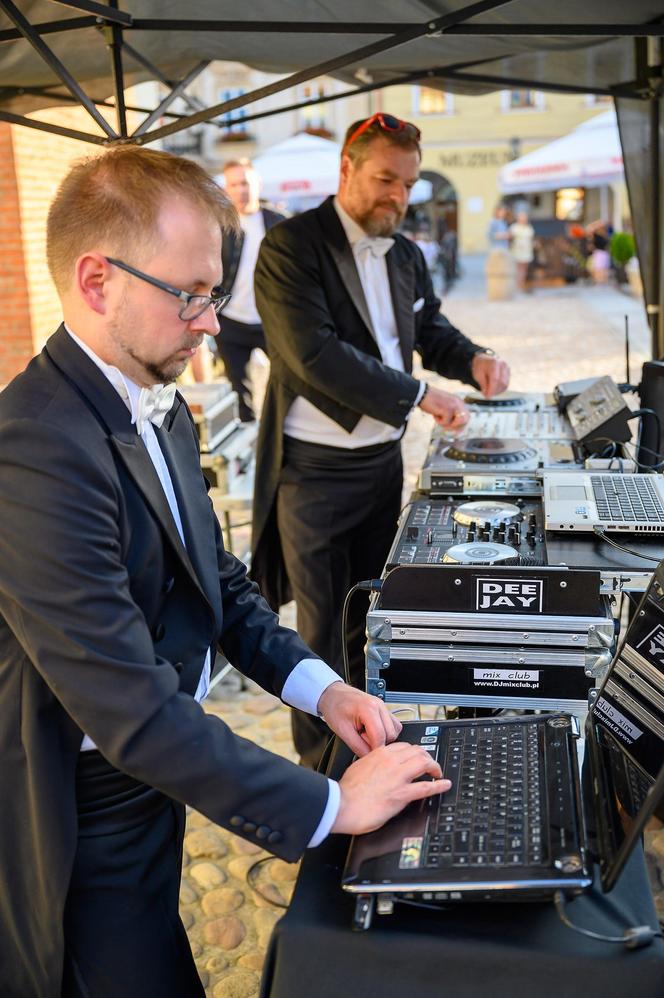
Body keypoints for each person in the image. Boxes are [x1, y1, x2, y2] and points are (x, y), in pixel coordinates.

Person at [0, 146, 452, 998]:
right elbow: (130, 710)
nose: (212, 321)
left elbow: (225, 591)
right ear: (98, 282)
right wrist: (331, 808)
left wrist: (325, 691)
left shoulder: (155, 396)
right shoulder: (33, 450)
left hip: (155, 775)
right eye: (192, 295)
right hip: (80, 805)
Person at [251, 113, 510, 768]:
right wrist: (420, 395)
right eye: (384, 180)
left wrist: (473, 358)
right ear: (346, 168)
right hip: (312, 474)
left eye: (408, 184)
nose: (398, 197)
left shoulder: (406, 253)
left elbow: (430, 331)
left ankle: (369, 754)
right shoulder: (290, 246)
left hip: (382, 463)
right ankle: (322, 779)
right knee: (320, 637)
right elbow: (314, 355)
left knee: (371, 615)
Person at [215, 158, 284, 420]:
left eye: (245, 183)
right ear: (226, 189)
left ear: (257, 184)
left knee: (285, 382)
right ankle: (247, 445)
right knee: (238, 390)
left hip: (271, 320)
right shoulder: (220, 226)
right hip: (231, 320)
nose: (240, 190)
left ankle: (278, 433)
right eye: (233, 184)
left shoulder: (278, 224)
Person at [509, 209, 535, 291]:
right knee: (517, 267)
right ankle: (516, 284)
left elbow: (531, 238)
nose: (523, 219)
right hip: (518, 249)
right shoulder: (514, 227)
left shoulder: (528, 227)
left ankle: (521, 283)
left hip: (527, 249)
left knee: (524, 268)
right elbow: (510, 238)